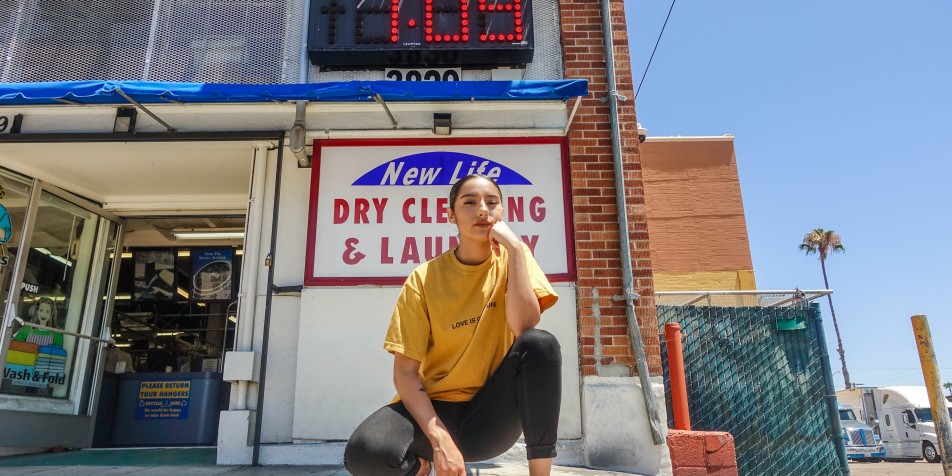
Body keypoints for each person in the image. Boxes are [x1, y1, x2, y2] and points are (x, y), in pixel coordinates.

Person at [345, 174, 562, 476]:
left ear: (502, 213)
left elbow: (524, 327)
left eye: (492, 203)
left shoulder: (517, 258)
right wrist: (439, 438)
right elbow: (405, 373)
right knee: (364, 454)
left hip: (489, 418)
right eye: (469, 202)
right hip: (435, 406)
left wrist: (514, 249)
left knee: (541, 343)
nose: (482, 210)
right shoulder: (423, 279)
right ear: (451, 215)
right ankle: (420, 468)